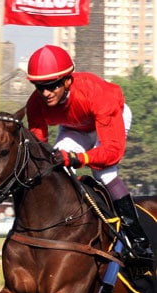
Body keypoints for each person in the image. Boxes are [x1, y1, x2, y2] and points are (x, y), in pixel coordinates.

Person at [25, 44, 153, 264]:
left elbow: (112, 152)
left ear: (67, 80)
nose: (45, 93)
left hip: (113, 117)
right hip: (75, 126)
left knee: (103, 174)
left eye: (52, 86)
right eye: (39, 87)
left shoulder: (96, 94)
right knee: (57, 165)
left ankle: (138, 238)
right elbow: (39, 148)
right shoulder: (35, 104)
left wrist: (80, 158)